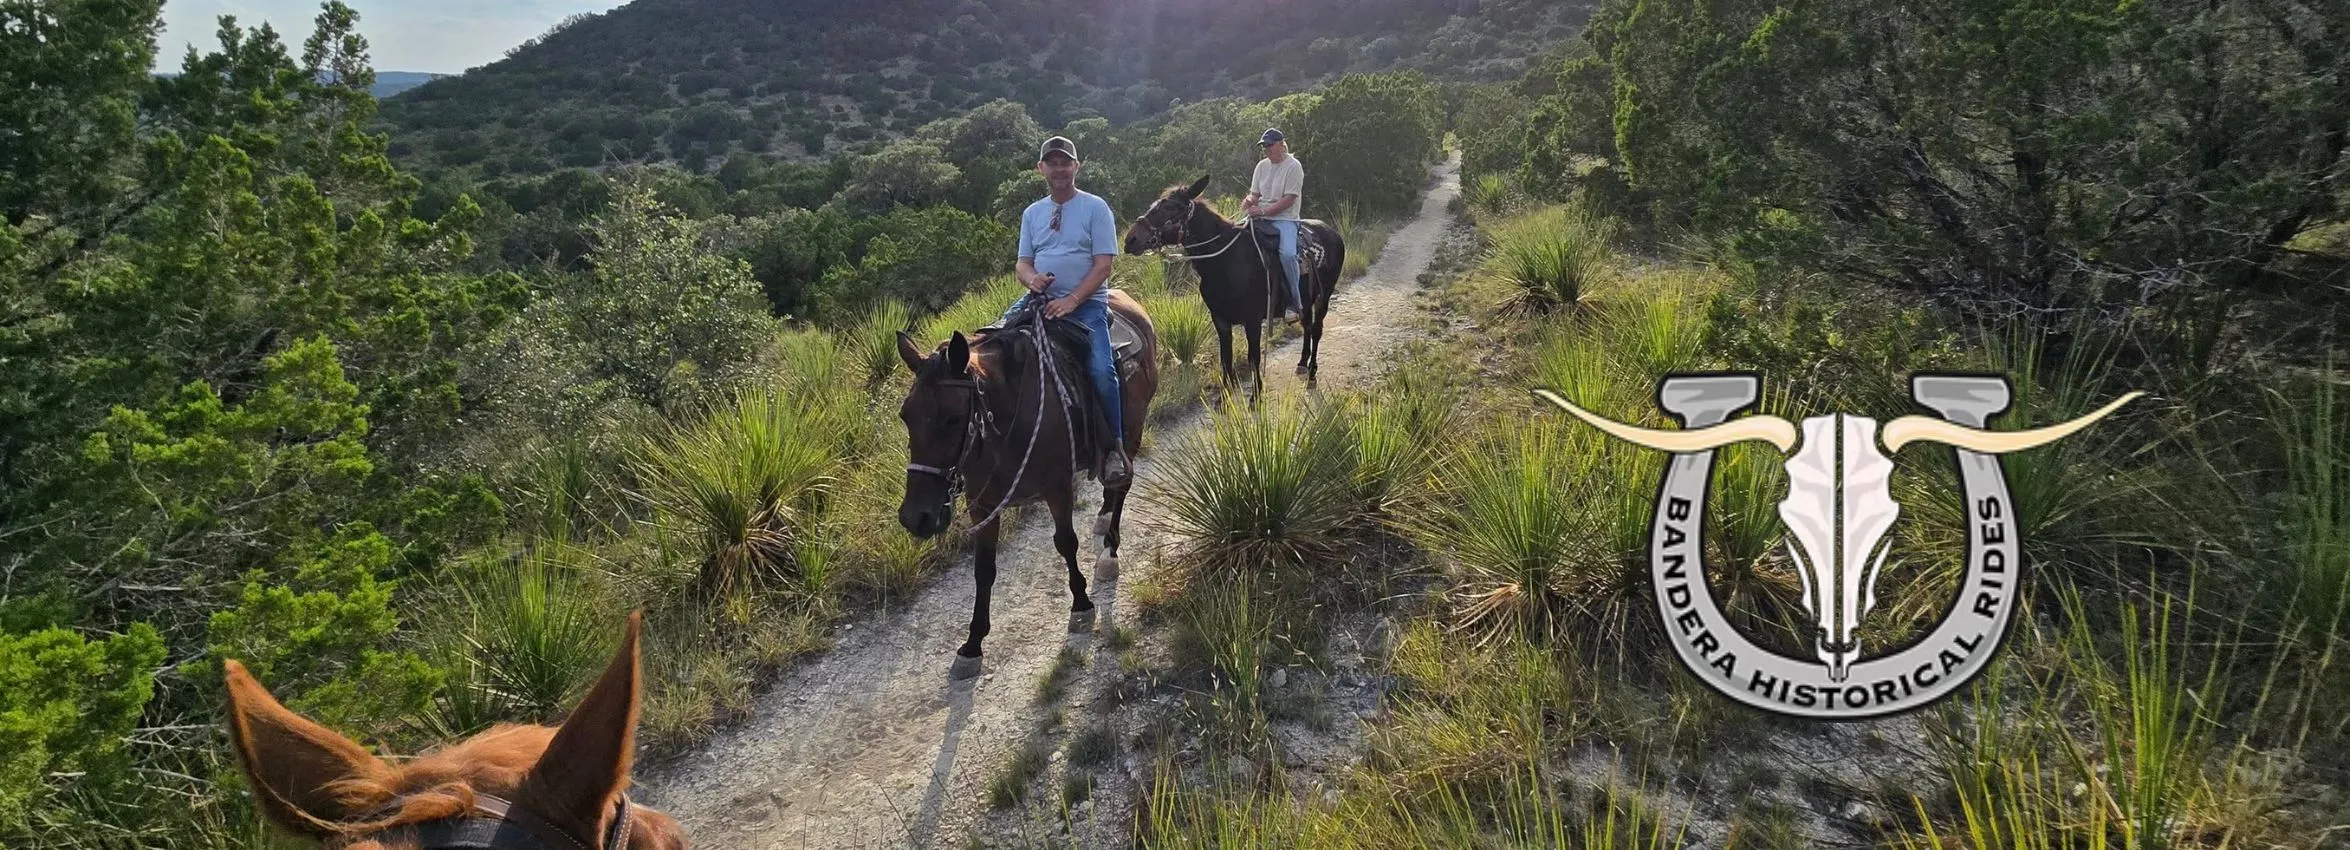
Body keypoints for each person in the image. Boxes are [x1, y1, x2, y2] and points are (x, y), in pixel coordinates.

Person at [1005, 135, 1129, 486]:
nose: (1059, 168)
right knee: (992, 344)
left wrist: (1072, 300)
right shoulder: (1032, 213)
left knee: (1102, 371)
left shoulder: (1095, 207)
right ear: (1040, 168)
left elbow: (1103, 265)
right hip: (1039, 300)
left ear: (1077, 166)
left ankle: (1113, 448)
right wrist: (1033, 281)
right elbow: (1022, 264)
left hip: (1085, 304)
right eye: (1052, 162)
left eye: (1065, 162)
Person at [1242, 127, 1306, 324]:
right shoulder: (1262, 166)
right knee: (1234, 240)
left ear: (1281, 145)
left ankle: (1295, 303)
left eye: (1269, 145)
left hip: (1286, 219)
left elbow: (1289, 200)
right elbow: (1255, 193)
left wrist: (1262, 211)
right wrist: (1250, 200)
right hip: (1260, 217)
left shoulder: (1293, 167)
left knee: (1287, 254)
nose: (1266, 149)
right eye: (1264, 146)